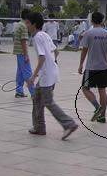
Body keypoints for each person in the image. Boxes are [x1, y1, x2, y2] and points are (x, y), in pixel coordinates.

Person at [25, 12, 78, 140]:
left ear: (34, 24)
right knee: (37, 99)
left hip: (47, 76)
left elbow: (42, 57)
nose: (26, 25)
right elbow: (56, 52)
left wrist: (33, 76)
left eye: (28, 23)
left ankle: (69, 124)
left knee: (48, 102)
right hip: (51, 72)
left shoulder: (37, 37)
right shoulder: (45, 35)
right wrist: (49, 65)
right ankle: (39, 127)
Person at [78, 12, 107, 124]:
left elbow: (84, 50)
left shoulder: (88, 33)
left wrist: (81, 64)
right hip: (104, 67)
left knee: (85, 88)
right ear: (102, 20)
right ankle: (102, 116)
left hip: (91, 67)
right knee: (102, 90)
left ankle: (97, 107)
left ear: (92, 21)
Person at [13, 9, 35, 98]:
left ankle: (19, 91)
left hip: (18, 51)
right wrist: (26, 54)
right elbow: (23, 41)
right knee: (27, 73)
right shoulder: (24, 26)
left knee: (20, 73)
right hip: (22, 52)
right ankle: (34, 93)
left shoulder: (18, 24)